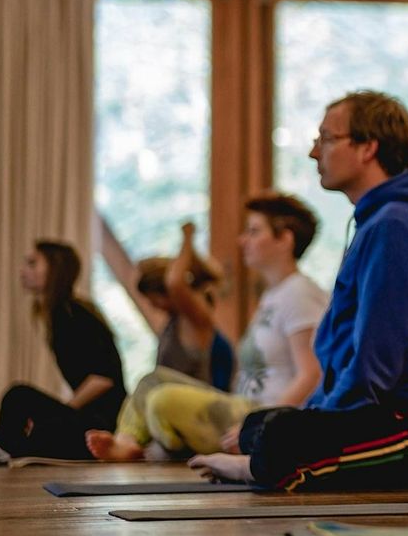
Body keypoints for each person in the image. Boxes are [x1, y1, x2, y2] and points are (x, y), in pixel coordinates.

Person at [188, 90, 408, 490]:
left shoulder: (395, 225)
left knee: (280, 438)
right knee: (263, 425)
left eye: (325, 139)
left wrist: (310, 424)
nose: (314, 152)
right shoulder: (375, 223)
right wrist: (303, 417)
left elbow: (377, 359)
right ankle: (270, 450)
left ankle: (261, 464)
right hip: (388, 408)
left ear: (367, 148)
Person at [85, 193, 327, 461]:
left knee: (163, 401)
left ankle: (164, 447)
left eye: (254, 231)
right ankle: (125, 443)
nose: (242, 240)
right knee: (152, 380)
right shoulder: (274, 295)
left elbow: (312, 374)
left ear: (285, 240)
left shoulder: (300, 293)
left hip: (263, 415)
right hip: (242, 408)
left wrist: (261, 425)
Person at [0, 241, 126, 459]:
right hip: (90, 420)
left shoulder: (73, 315)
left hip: (102, 426)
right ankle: (10, 449)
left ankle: (8, 454)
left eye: (32, 263)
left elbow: (103, 379)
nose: (23, 271)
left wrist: (65, 411)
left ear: (54, 269)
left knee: (18, 397)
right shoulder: (61, 314)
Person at [129, 225, 227, 386]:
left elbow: (175, 282)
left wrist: (187, 237)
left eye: (155, 301)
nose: (154, 307)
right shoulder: (173, 324)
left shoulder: (194, 318)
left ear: (168, 294)